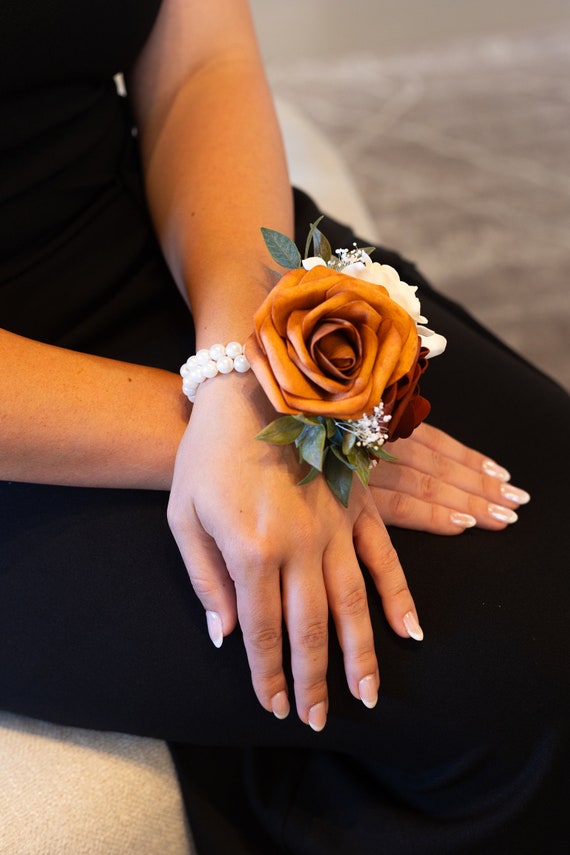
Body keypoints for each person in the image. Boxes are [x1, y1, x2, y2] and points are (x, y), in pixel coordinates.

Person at [1, 0, 568, 852]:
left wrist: (248, 369)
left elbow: (202, 63)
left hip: (173, 252)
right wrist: (223, 441)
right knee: (511, 683)